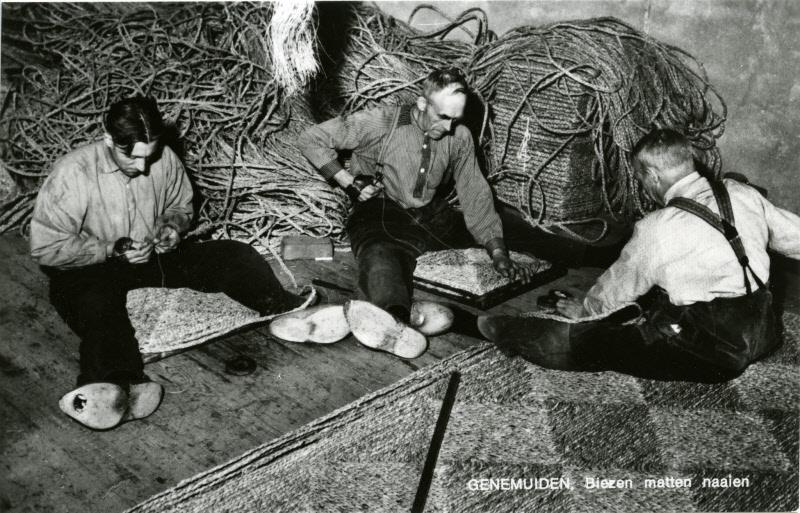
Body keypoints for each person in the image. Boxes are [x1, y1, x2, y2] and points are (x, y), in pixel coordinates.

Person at [30, 96, 309, 430]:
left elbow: (181, 205)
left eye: (151, 156)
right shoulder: (72, 173)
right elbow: (46, 248)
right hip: (90, 269)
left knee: (233, 254)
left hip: (152, 259)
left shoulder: (164, 158)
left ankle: (281, 307)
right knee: (99, 308)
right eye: (131, 158)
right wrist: (111, 249)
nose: (144, 167)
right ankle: (116, 384)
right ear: (108, 140)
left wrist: (172, 227)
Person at [478, 129, 800, 382]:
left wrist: (587, 309)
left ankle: (505, 329)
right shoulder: (742, 193)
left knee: (595, 342)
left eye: (642, 179)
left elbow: (619, 286)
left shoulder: (657, 228)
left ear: (654, 177)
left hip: (715, 355)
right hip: (763, 332)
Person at [273, 68, 533, 359]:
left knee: (516, 229)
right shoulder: (381, 121)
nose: (449, 128)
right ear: (422, 104)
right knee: (380, 258)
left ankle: (589, 256)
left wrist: (497, 251)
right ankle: (398, 321)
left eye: (456, 119)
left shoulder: (459, 136)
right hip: (382, 212)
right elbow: (312, 138)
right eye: (443, 117)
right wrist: (348, 182)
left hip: (433, 214)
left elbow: (474, 190)